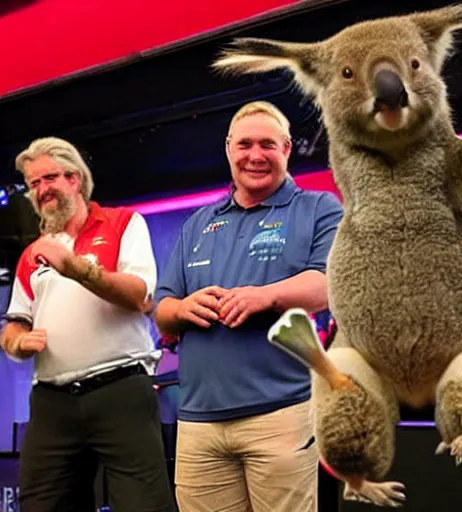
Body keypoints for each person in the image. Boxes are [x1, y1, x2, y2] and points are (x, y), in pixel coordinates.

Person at [154, 101, 343, 512]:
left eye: (267, 145)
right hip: (198, 421)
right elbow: (162, 307)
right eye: (244, 145)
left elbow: (329, 285)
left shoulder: (318, 209)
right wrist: (184, 308)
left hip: (281, 415)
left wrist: (265, 296)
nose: (255, 155)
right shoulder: (198, 224)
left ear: (287, 149)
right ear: (228, 149)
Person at [0, 137, 173, 512]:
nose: (41, 190)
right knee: (42, 504)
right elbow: (13, 325)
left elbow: (140, 295)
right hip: (52, 401)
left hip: (120, 389)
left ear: (75, 179)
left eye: (49, 178)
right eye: (33, 184)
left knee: (144, 504)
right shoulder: (34, 253)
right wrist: (18, 343)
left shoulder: (124, 223)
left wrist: (75, 267)